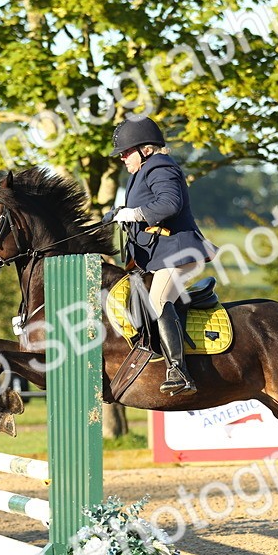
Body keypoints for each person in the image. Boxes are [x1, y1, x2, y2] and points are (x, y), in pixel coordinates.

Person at [107, 115, 217, 396]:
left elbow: (170, 203)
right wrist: (116, 215)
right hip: (159, 257)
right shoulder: (141, 173)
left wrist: (137, 214)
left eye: (126, 152)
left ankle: (179, 371)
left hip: (179, 253)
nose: (122, 158)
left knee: (158, 299)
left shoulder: (160, 166)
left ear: (145, 149)